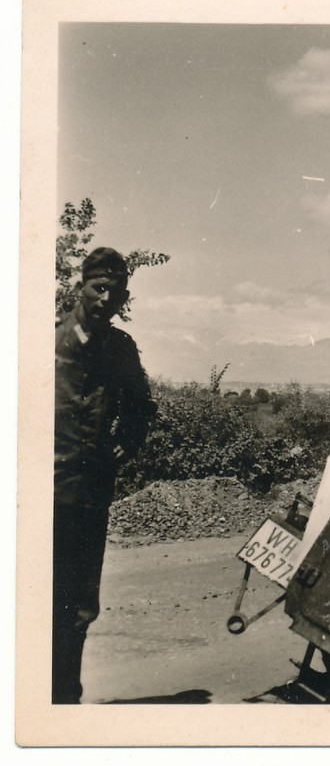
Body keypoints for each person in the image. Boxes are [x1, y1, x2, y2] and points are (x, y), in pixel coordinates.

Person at [54, 247, 155, 703]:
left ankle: (62, 701)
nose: (105, 299)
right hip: (36, 492)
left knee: (77, 606)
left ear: (123, 298)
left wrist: (127, 441)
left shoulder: (120, 348)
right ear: (81, 287)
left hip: (89, 493)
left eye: (114, 293)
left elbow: (140, 405)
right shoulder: (45, 339)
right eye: (98, 288)